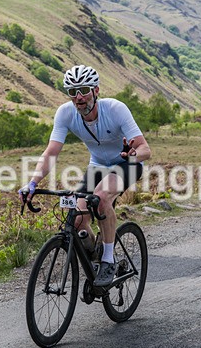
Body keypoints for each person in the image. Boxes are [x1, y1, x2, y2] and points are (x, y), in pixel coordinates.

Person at [19, 65, 151, 286]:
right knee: (78, 220)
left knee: (100, 198)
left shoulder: (116, 109)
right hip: (97, 166)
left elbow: (146, 150)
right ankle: (97, 256)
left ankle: (108, 260)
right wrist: (32, 183)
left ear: (96, 90)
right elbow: (51, 152)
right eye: (73, 92)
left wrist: (132, 155)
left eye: (84, 90)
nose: (79, 97)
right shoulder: (65, 113)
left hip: (126, 163)